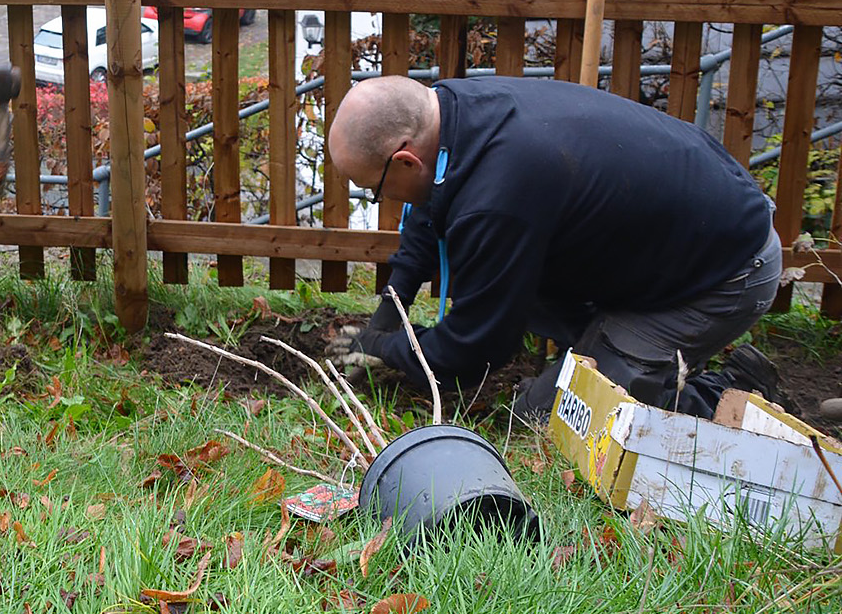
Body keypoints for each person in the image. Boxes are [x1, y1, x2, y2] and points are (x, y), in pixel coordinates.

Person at [326, 75, 784, 419]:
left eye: (376, 188)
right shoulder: (455, 109)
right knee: (506, 286)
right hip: (687, 232)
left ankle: (734, 394)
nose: (382, 199)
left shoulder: (497, 197)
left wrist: (385, 346)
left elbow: (468, 353)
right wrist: (394, 302)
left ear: (407, 158)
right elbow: (432, 205)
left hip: (727, 272)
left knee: (557, 416)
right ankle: (603, 347)